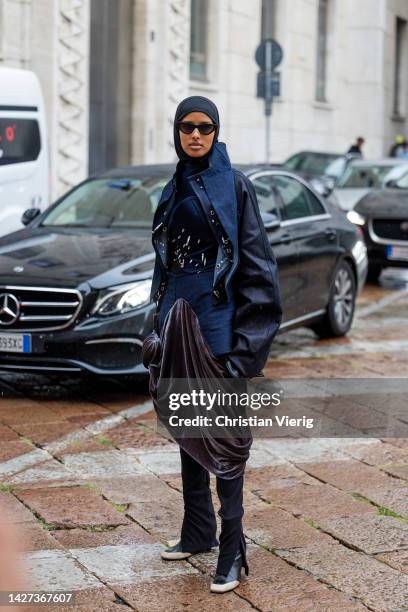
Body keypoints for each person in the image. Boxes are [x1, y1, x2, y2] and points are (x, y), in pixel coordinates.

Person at [145, 95, 282, 593]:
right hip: (178, 326)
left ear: (217, 132)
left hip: (220, 332)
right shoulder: (173, 184)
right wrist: (155, 326)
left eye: (205, 127)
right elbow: (164, 267)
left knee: (225, 442)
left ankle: (232, 549)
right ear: (177, 132)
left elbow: (259, 269)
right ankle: (198, 532)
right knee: (188, 432)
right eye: (187, 127)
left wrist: (247, 350)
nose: (196, 135)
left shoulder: (235, 186)